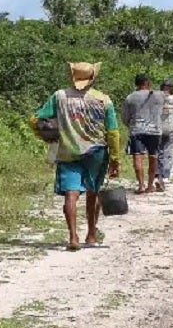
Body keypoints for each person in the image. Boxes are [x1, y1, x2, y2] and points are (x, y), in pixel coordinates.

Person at [30, 62, 121, 251]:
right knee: (92, 192)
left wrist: (46, 136)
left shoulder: (59, 96)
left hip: (68, 152)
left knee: (71, 195)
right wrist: (115, 158)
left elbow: (35, 120)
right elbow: (113, 132)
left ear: (73, 77)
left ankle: (73, 237)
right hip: (96, 152)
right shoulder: (104, 100)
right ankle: (91, 233)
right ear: (92, 78)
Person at [122, 74, 165, 194]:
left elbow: (125, 117)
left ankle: (141, 185)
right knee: (153, 156)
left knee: (138, 157)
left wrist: (131, 125)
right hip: (155, 130)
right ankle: (150, 185)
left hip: (137, 129)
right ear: (147, 83)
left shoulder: (130, 98)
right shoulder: (159, 95)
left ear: (136, 83)